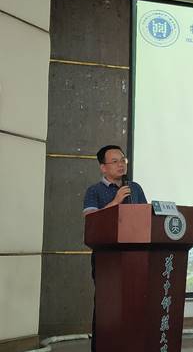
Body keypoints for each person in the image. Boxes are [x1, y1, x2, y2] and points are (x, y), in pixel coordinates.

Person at [83, 145, 147, 352]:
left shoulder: (135, 188)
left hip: (135, 257)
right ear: (103, 167)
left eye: (123, 160)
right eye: (115, 161)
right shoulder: (94, 191)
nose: (121, 164)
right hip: (107, 258)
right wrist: (116, 201)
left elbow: (146, 217)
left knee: (135, 303)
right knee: (106, 305)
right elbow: (91, 220)